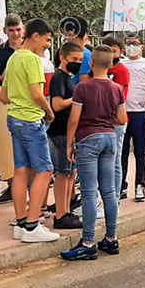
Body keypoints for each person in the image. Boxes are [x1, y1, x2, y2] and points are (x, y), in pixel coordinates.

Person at [61, 45, 127, 262]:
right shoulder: (116, 88)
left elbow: (74, 119)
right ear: (110, 64)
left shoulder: (83, 87)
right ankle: (111, 237)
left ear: (91, 63)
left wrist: (70, 143)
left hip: (88, 138)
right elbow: (122, 118)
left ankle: (88, 242)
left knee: (89, 191)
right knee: (109, 191)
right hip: (110, 137)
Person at [0, 18, 60, 243]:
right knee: (45, 170)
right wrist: (48, 111)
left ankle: (22, 222)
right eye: (46, 40)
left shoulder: (13, 58)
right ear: (35, 36)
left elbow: (3, 95)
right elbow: (37, 93)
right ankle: (33, 225)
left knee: (20, 171)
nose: (47, 45)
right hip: (31, 121)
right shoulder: (33, 60)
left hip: (14, 118)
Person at [47, 42, 84, 229]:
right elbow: (57, 104)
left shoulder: (68, 77)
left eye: (80, 60)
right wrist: (76, 99)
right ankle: (61, 213)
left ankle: (67, 209)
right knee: (63, 173)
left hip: (69, 131)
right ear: (63, 58)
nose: (77, 63)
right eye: (74, 60)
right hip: (60, 131)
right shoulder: (59, 78)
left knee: (71, 173)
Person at [0, 14, 25, 206]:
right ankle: (11, 185)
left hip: (26, 102)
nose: (15, 34)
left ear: (23, 29)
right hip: (4, 102)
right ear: (5, 31)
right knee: (5, 146)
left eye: (18, 30)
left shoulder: (29, 50)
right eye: (11, 30)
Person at [121, 36, 145, 202]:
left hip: (139, 112)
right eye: (128, 44)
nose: (131, 47)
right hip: (122, 112)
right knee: (122, 151)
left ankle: (140, 185)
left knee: (140, 150)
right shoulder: (121, 63)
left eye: (134, 44)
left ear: (142, 46)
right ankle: (121, 185)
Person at [100, 35, 130, 202]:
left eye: (114, 51)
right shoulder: (100, 69)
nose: (111, 54)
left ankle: (116, 195)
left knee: (115, 160)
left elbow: (122, 96)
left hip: (115, 120)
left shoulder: (122, 71)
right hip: (101, 120)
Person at [59, 16, 92, 85]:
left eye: (63, 32)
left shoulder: (86, 55)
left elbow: (84, 81)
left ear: (70, 33)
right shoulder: (70, 52)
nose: (63, 36)